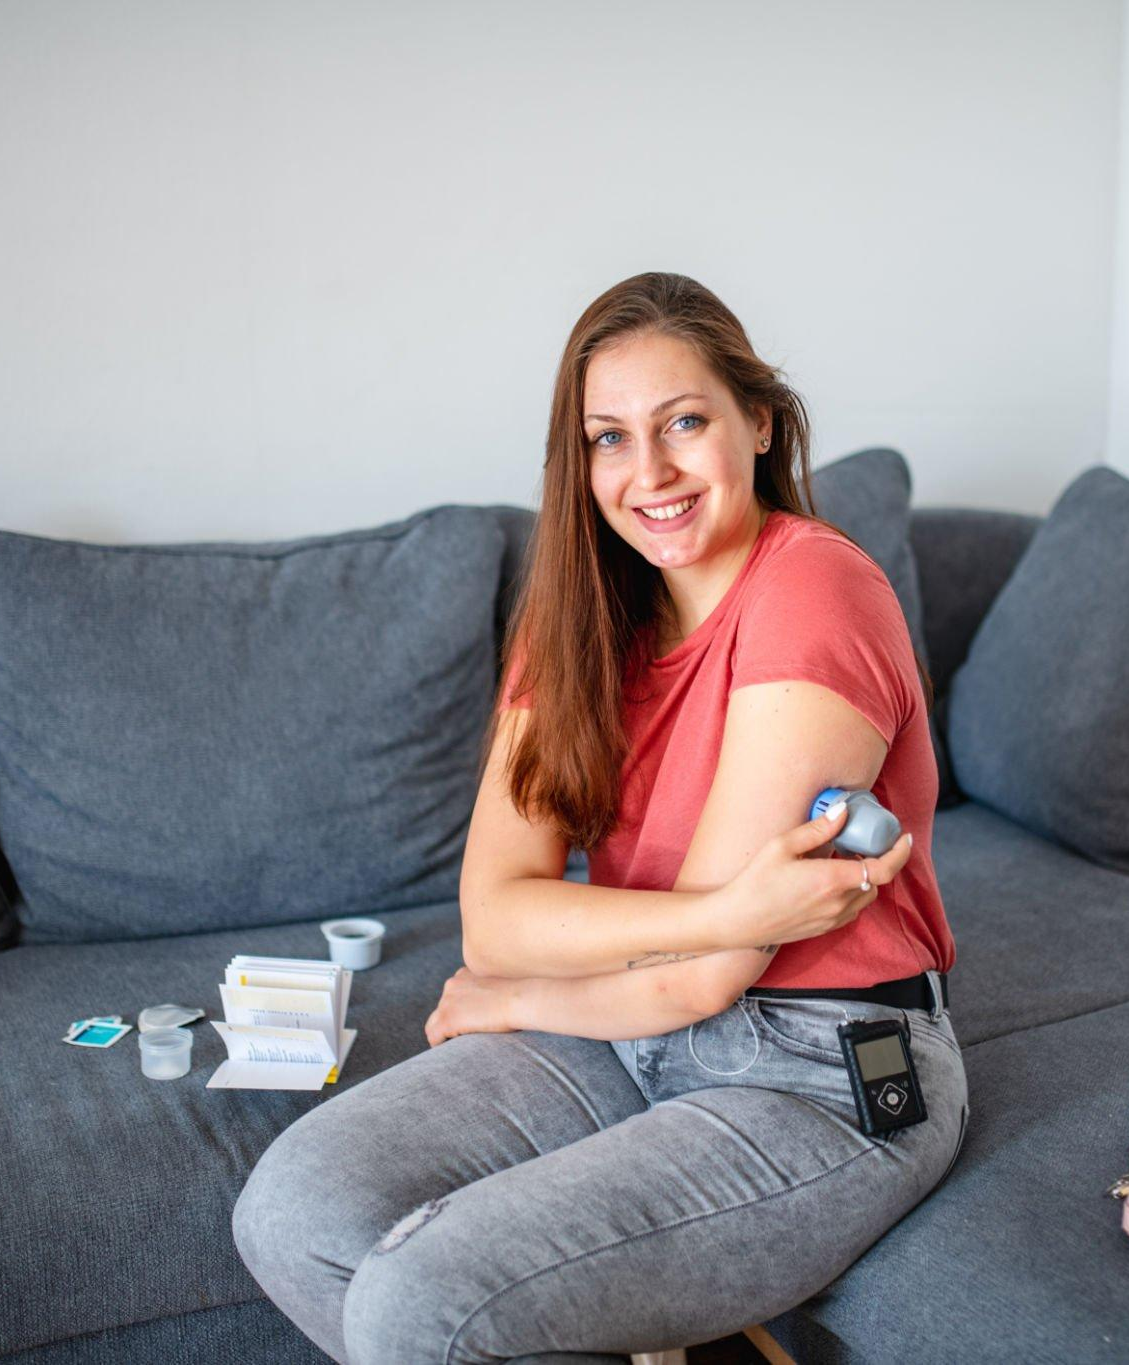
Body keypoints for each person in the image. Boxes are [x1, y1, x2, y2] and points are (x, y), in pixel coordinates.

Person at [233, 271, 965, 1364]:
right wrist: (708, 913)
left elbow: (704, 975)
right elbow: (494, 912)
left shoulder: (812, 590)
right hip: (631, 1029)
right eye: (608, 438)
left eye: (683, 423)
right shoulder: (576, 618)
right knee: (292, 1212)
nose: (650, 473)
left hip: (823, 1066)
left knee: (422, 1305)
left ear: (757, 424)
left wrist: (525, 993)